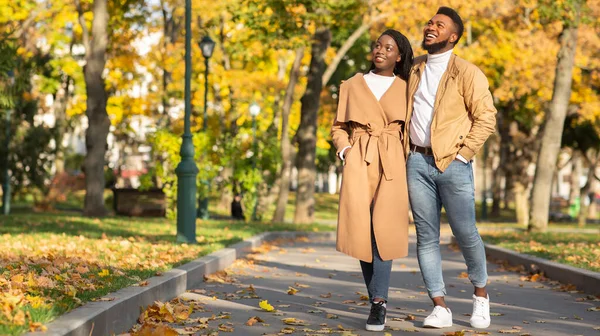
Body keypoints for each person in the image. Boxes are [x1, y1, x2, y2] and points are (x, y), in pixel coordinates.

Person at [403, 6, 497, 329]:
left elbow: (487, 118)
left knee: (465, 232)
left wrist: (464, 154)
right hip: (416, 160)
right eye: (430, 22)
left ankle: (481, 296)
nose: (431, 27)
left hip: (453, 163)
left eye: (439, 25)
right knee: (426, 236)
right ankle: (439, 306)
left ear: (452, 36)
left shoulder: (468, 72)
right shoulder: (414, 68)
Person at [331, 29, 413, 332]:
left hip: (392, 161)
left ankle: (378, 302)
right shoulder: (352, 84)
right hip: (359, 159)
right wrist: (346, 149)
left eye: (388, 47)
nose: (380, 50)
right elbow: (338, 126)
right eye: (378, 45)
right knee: (361, 232)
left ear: (399, 56)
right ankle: (378, 301)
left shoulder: (407, 88)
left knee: (384, 232)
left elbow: (412, 129)